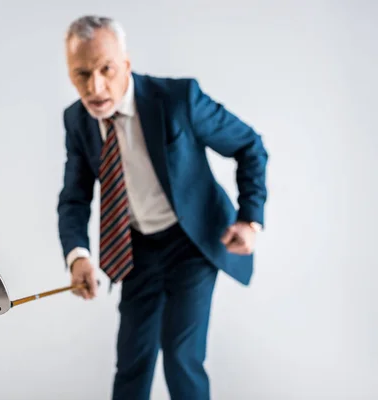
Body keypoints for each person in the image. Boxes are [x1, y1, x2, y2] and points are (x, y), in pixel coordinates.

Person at [57, 15, 268, 400]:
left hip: (193, 242)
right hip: (137, 250)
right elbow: (74, 197)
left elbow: (249, 145)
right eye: (81, 74)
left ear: (126, 64)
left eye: (105, 69)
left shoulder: (178, 100)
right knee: (132, 362)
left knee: (180, 354)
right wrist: (77, 256)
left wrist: (250, 219)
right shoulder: (77, 121)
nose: (96, 87)